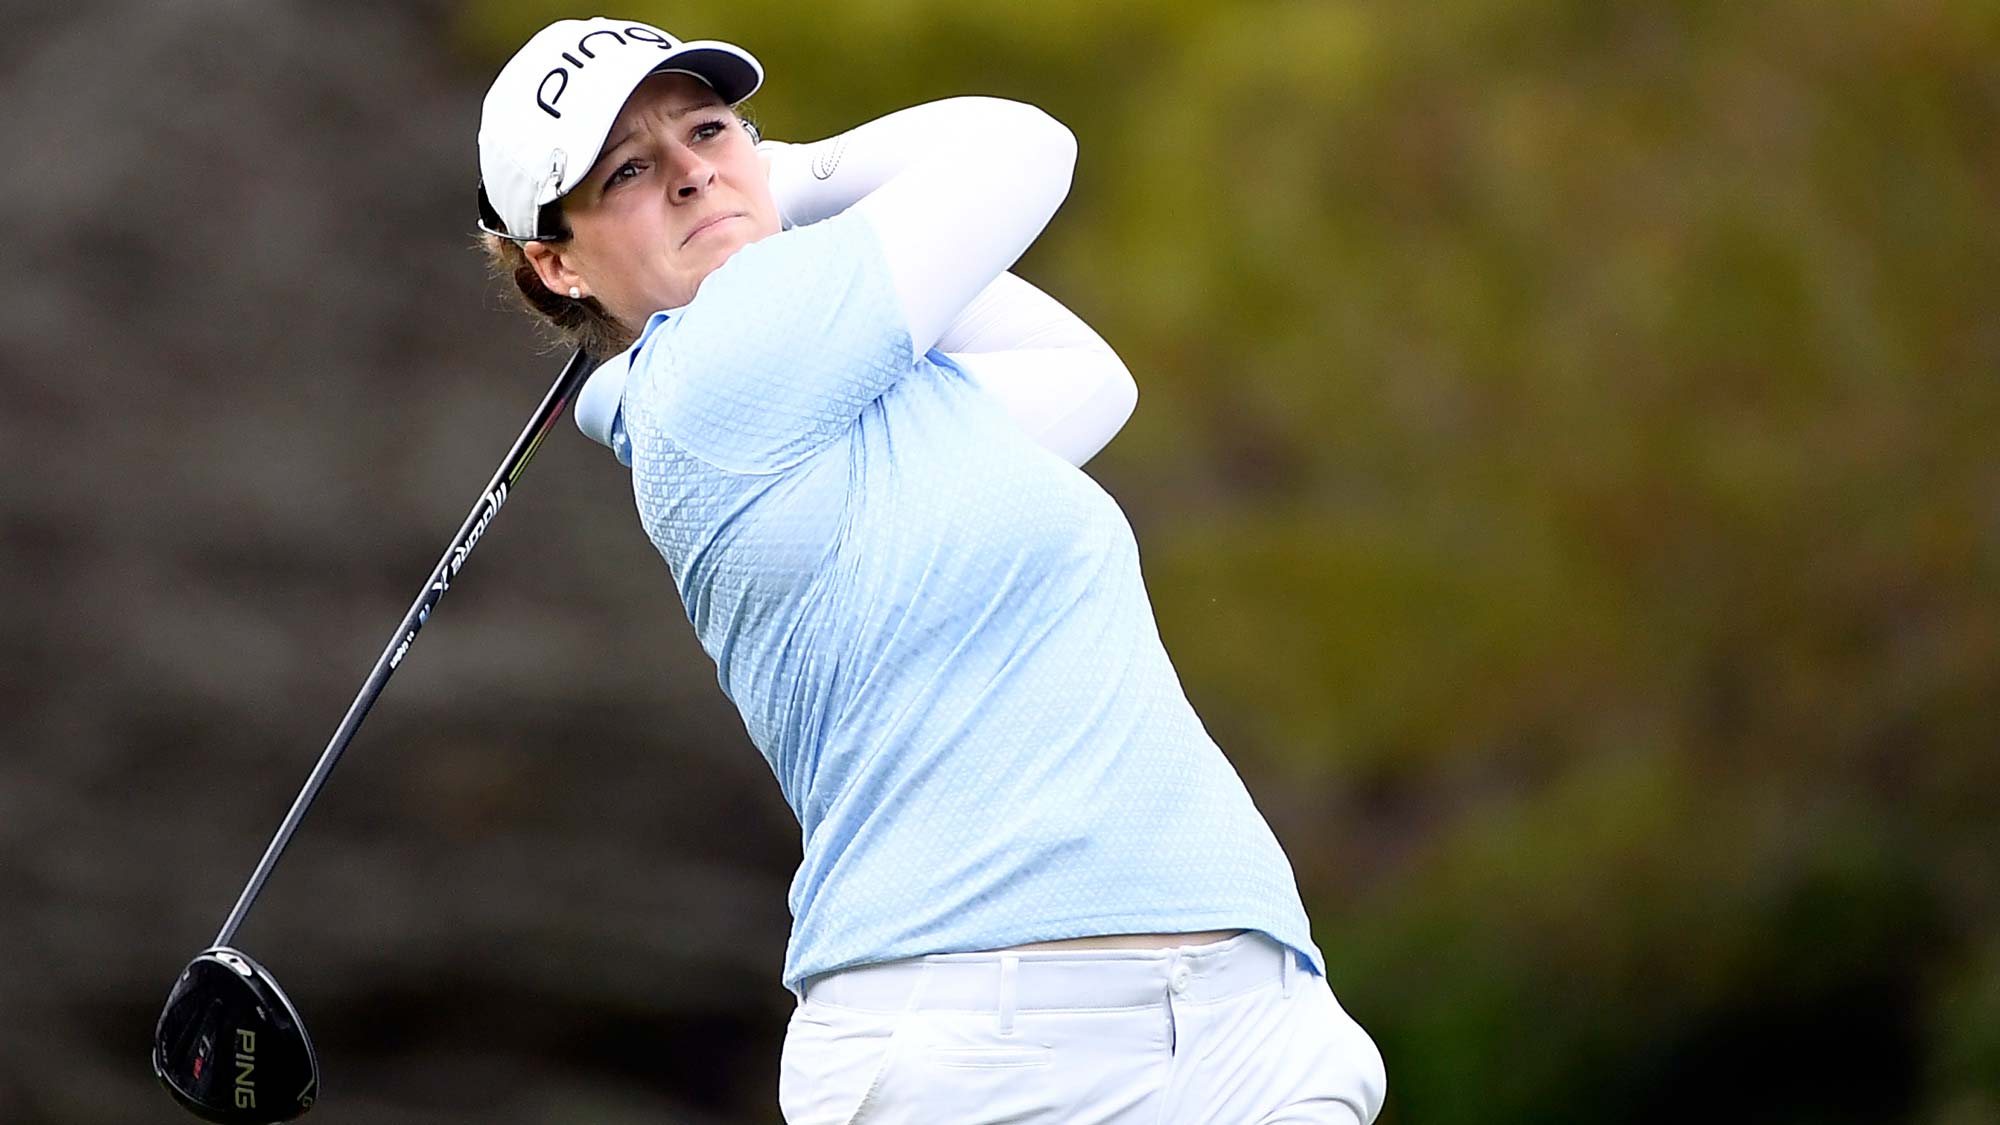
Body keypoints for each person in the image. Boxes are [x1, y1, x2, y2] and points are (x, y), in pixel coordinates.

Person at [475, 17, 1386, 1124]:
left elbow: (1085, 380)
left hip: (1239, 1017)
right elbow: (1021, 145)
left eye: (708, 127)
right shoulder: (715, 372)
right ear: (556, 263)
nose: (685, 171)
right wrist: (781, 179)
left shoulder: (862, 398)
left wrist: (739, 188)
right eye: (627, 169)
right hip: (986, 1035)